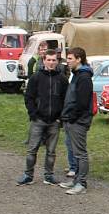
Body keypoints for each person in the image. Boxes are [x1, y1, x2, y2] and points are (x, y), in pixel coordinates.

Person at [17, 49, 69, 186]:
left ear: (57, 61)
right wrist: (33, 114)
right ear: (44, 60)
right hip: (38, 120)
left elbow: (66, 100)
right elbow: (29, 97)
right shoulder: (36, 77)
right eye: (49, 60)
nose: (51, 62)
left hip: (55, 121)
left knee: (51, 151)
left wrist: (60, 118)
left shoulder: (62, 79)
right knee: (32, 149)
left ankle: (49, 176)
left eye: (54, 60)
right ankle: (28, 175)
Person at [59, 47, 93, 195]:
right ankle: (75, 180)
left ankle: (81, 184)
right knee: (74, 150)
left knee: (80, 153)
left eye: (70, 59)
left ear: (79, 59)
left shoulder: (84, 77)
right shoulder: (76, 74)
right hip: (71, 120)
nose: (67, 61)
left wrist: (72, 118)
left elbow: (83, 102)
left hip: (78, 121)